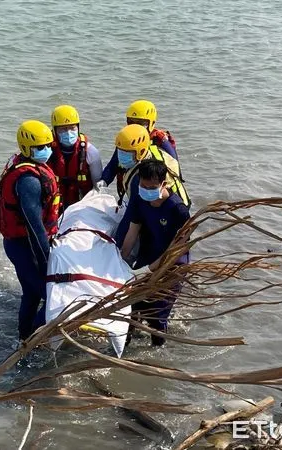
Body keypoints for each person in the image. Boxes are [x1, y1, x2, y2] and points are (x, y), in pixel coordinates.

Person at [0, 120, 61, 341]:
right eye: (40, 147)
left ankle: (23, 337)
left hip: (19, 243)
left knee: (31, 294)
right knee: (52, 298)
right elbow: (34, 226)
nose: (46, 150)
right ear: (26, 148)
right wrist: (46, 259)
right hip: (25, 246)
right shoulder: (29, 180)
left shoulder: (22, 163)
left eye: (48, 145)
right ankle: (33, 343)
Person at [120, 159, 190, 346]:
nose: (146, 190)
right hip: (147, 257)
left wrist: (151, 269)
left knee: (156, 315)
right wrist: (120, 261)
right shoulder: (139, 200)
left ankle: (157, 354)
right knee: (132, 308)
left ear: (164, 184)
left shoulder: (178, 210)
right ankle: (124, 346)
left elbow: (178, 248)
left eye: (152, 187)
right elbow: (132, 233)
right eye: (143, 185)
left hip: (172, 265)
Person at [109, 124, 190, 249]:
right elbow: (133, 225)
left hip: (168, 212)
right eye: (120, 151)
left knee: (163, 245)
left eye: (126, 153)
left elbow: (128, 219)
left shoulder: (141, 179)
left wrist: (115, 247)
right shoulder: (148, 155)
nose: (121, 155)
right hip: (154, 207)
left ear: (140, 151)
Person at [100, 99, 179, 188]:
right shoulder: (127, 139)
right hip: (128, 188)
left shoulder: (161, 142)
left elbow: (175, 172)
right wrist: (104, 181)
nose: (135, 126)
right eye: (131, 122)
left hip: (151, 191)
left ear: (152, 123)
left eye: (141, 123)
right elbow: (113, 165)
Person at [47, 105, 103, 211]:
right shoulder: (46, 152)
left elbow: (98, 187)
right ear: (54, 131)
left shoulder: (91, 152)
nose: (68, 132)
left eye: (72, 128)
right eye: (63, 129)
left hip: (81, 204)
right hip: (54, 204)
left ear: (78, 128)